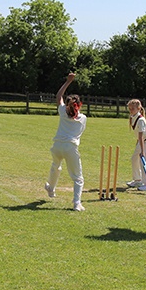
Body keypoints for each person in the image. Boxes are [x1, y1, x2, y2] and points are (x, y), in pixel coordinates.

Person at [45, 73, 87, 211]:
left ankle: (51, 188)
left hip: (57, 145)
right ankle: (76, 204)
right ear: (79, 105)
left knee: (56, 166)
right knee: (78, 178)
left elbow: (59, 96)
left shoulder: (63, 111)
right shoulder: (83, 118)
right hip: (70, 147)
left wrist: (68, 81)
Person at [125, 99, 146, 192]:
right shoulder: (132, 117)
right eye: (129, 108)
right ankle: (137, 180)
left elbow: (141, 136)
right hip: (141, 140)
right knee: (134, 158)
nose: (131, 110)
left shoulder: (141, 120)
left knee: (144, 162)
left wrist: (142, 151)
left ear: (138, 108)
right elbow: (138, 136)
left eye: (133, 108)